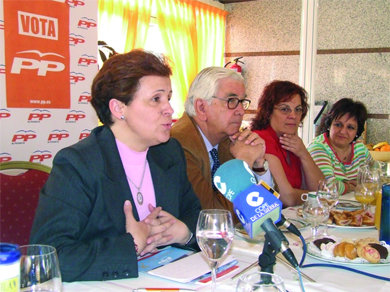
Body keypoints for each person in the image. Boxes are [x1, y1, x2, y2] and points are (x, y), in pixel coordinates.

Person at [30, 50, 201, 282]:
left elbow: (195, 214)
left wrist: (185, 232)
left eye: (169, 97)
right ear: (119, 108)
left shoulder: (168, 152)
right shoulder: (77, 164)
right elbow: (49, 257)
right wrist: (130, 245)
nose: (169, 109)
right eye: (156, 99)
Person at [171, 67, 270, 221]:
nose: (241, 111)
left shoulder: (227, 140)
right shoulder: (178, 144)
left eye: (242, 102)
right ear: (201, 107)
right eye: (231, 101)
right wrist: (242, 164)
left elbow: (264, 210)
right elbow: (212, 218)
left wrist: (258, 165)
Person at [251, 80, 324, 206]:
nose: (293, 116)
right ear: (268, 111)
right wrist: (316, 197)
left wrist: (304, 154)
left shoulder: (291, 141)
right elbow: (286, 197)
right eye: (285, 109)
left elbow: (320, 188)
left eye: (298, 110)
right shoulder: (260, 140)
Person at [307, 98, 371, 195]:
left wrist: (341, 185)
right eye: (338, 125)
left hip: (353, 207)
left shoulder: (360, 149)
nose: (342, 131)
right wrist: (349, 186)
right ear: (329, 125)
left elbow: (374, 178)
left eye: (350, 127)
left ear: (357, 132)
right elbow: (327, 187)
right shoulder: (318, 148)